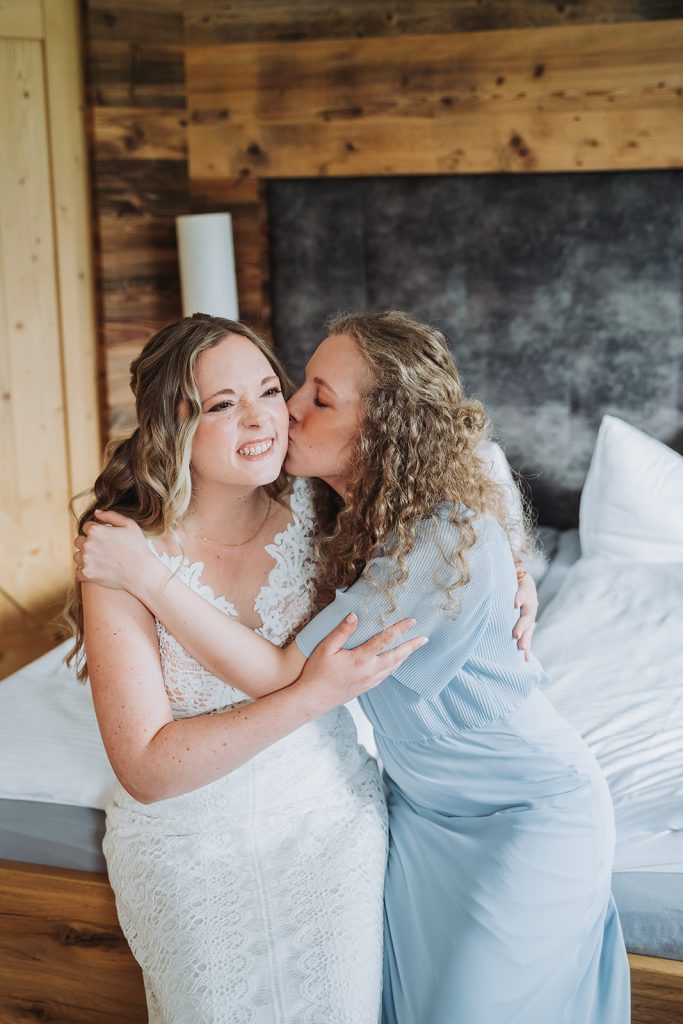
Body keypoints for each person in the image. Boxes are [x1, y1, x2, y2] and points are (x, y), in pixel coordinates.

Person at [74, 312, 545, 1023]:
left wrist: (510, 556)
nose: (263, 419)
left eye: (269, 389)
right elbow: (147, 768)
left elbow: (467, 455)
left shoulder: (315, 498)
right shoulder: (122, 554)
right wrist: (312, 695)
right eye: (222, 405)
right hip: (187, 850)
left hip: (330, 828)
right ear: (170, 426)